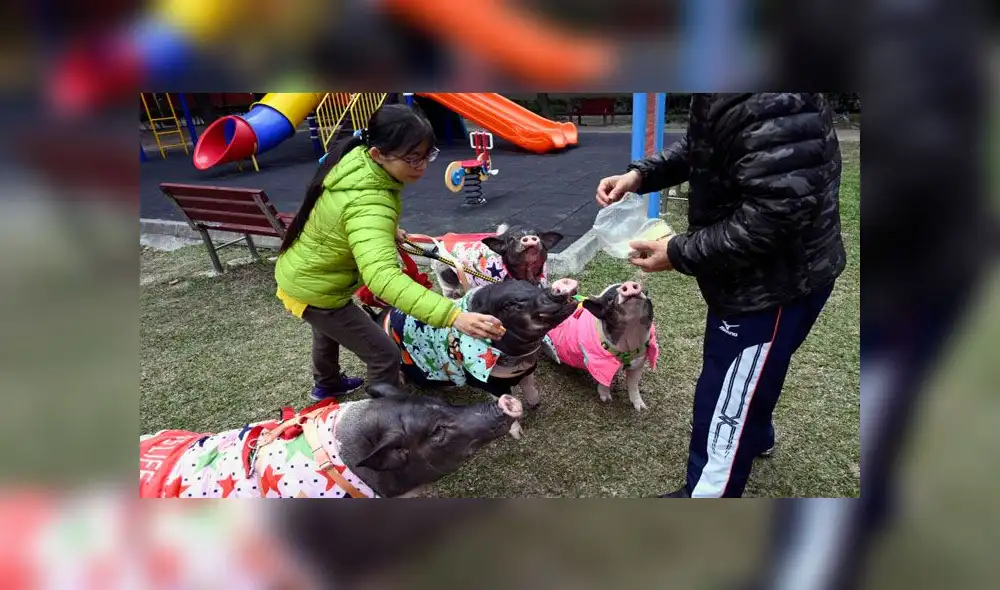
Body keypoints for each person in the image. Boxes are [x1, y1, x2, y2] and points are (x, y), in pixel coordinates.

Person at [597, 93, 847, 498]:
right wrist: (642, 175)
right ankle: (755, 434)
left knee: (725, 389)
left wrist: (678, 252)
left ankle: (707, 493)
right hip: (775, 274)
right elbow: (711, 143)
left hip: (769, 285)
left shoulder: (774, 98)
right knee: (757, 371)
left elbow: (775, 214)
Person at [275, 103, 505, 401]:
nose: (422, 166)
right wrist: (453, 316)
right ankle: (386, 418)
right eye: (412, 158)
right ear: (378, 154)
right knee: (383, 354)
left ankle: (327, 384)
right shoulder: (369, 202)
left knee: (327, 330)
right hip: (316, 286)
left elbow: (345, 217)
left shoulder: (357, 164)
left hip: (304, 275)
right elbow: (383, 277)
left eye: (427, 155)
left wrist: (388, 231)